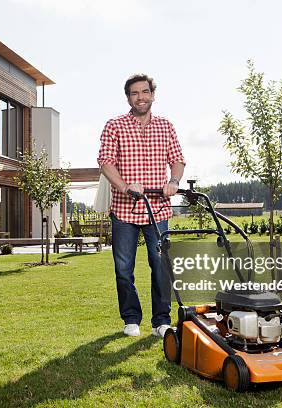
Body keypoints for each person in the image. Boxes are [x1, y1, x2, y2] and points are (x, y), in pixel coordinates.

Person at [97, 74, 186, 337]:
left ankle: (161, 320)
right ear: (128, 97)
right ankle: (131, 319)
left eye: (145, 92)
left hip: (158, 208)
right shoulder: (115, 125)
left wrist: (174, 180)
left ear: (152, 95)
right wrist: (125, 186)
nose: (141, 97)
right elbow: (106, 162)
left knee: (160, 266)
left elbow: (178, 159)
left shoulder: (166, 126)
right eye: (135, 93)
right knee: (124, 268)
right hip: (125, 210)